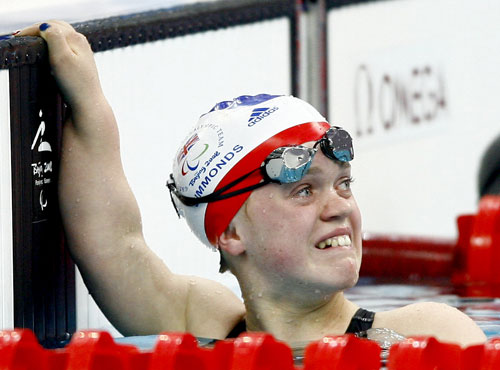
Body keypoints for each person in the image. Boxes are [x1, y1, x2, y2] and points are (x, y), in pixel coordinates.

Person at [18, 21, 486, 347]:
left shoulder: (425, 333)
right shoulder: (197, 323)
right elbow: (113, 245)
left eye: (344, 184)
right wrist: (86, 94)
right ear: (231, 233)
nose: (339, 206)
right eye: (305, 191)